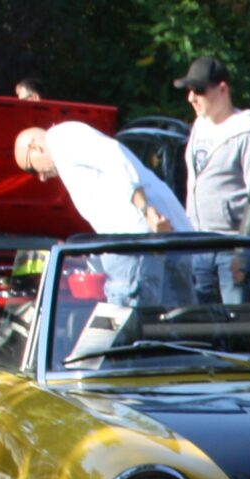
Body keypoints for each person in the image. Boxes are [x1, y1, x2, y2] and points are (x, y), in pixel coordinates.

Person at [12, 122, 195, 336]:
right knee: (175, 319)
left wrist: (146, 209)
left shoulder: (62, 138)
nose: (41, 178)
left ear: (35, 147)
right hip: (151, 239)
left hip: (131, 242)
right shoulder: (66, 145)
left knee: (126, 319)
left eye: (32, 170)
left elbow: (114, 157)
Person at [176, 57, 250, 300]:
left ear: (223, 89)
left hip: (232, 248)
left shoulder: (249, 131)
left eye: (199, 90)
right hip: (198, 244)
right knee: (199, 319)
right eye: (189, 90)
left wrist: (244, 250)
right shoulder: (199, 125)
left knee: (237, 317)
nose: (191, 98)